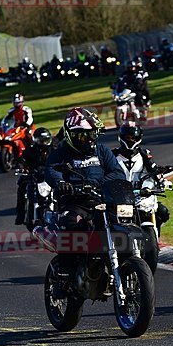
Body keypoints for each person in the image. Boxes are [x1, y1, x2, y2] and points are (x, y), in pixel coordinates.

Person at [39, 108, 125, 264]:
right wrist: (62, 183)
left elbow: (117, 172)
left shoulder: (102, 150)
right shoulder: (60, 153)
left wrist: (97, 184)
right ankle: (68, 272)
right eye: (85, 135)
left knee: (124, 223)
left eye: (93, 134)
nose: (90, 139)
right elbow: (52, 171)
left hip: (102, 201)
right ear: (71, 135)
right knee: (72, 227)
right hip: (75, 203)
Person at [112, 123, 170, 231]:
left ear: (138, 138)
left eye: (133, 138)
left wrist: (162, 180)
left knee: (162, 212)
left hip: (140, 195)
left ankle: (155, 232)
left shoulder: (144, 154)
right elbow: (104, 173)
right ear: (121, 137)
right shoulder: (112, 155)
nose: (130, 140)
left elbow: (154, 169)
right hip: (118, 197)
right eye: (127, 137)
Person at [14, 127, 54, 226]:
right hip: (34, 175)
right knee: (22, 187)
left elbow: (61, 160)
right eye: (42, 141)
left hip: (50, 176)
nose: (45, 143)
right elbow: (23, 159)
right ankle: (21, 215)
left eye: (46, 140)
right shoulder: (31, 149)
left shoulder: (53, 149)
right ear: (36, 140)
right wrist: (21, 165)